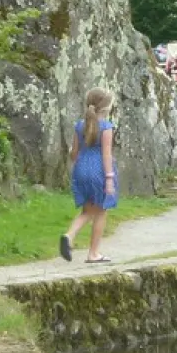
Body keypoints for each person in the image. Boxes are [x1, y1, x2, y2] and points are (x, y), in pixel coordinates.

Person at [60, 88, 117, 264]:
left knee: (88, 210)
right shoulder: (106, 127)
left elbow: (74, 153)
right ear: (106, 107)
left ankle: (69, 236)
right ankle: (93, 253)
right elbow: (106, 155)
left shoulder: (80, 126)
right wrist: (109, 178)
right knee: (101, 211)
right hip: (98, 170)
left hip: (81, 168)